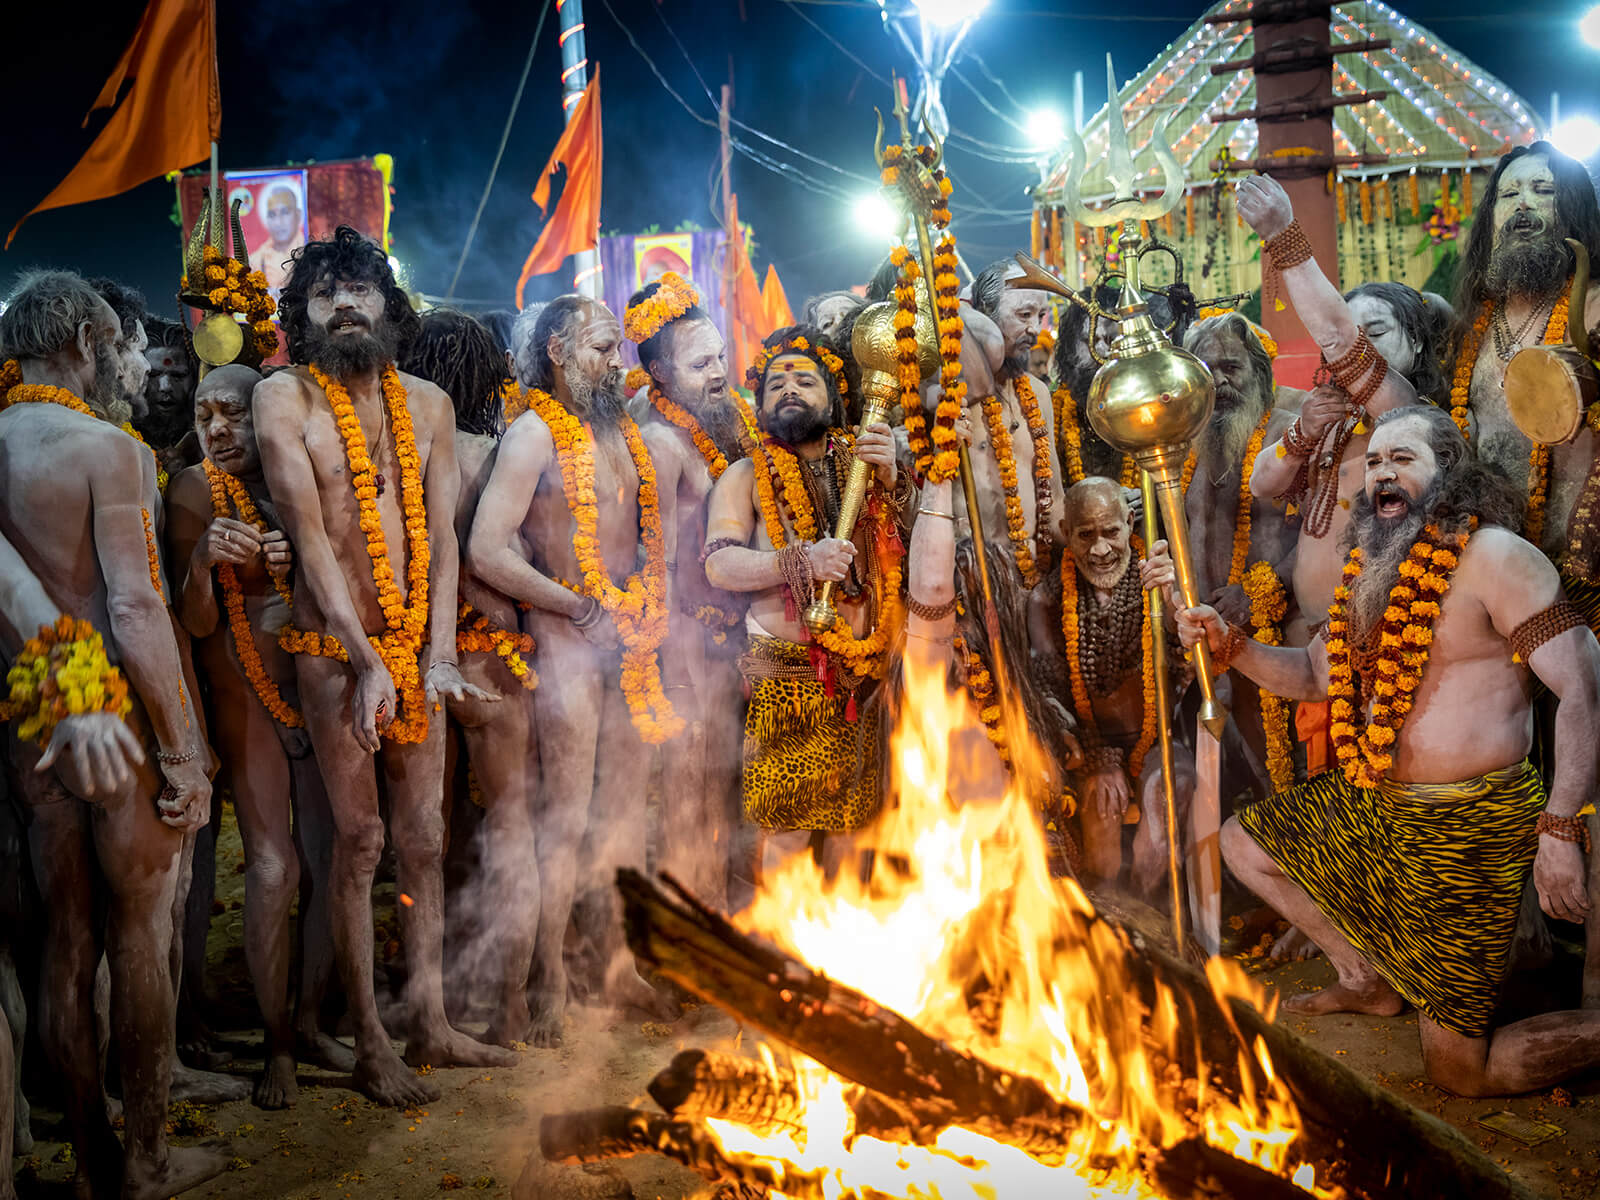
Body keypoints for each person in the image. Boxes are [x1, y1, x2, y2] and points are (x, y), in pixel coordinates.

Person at [1165, 405, 1600, 1097]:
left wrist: (1558, 827)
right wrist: (1232, 646)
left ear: (1450, 474)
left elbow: (1583, 687)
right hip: (1377, 803)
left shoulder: (1494, 558)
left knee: (1460, 1074)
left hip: (1469, 826)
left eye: (1402, 458)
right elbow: (1313, 676)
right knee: (1245, 843)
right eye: (1372, 462)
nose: (1381, 473)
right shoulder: (1371, 567)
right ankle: (1364, 979)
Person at [253, 227, 512, 1106]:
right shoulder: (284, 399)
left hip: (417, 649)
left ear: (389, 305)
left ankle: (431, 1021)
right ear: (306, 313)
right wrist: (367, 659)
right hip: (335, 655)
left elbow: (441, 542)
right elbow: (311, 539)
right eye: (328, 294)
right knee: (358, 845)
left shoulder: (430, 403)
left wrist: (436, 653)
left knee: (426, 841)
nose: (348, 304)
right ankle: (369, 1041)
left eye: (362, 288)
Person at [0, 270, 220, 1197]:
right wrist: (181, 748)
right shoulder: (108, 447)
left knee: (66, 937)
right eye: (111, 346)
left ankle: (88, 1158)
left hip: (32, 722)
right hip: (118, 720)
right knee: (139, 935)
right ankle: (145, 1160)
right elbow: (134, 609)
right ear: (86, 342)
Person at [467, 294, 681, 1045]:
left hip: (634, 642)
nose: (614, 363)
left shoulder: (627, 432)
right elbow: (486, 549)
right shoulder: (532, 435)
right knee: (561, 817)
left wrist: (651, 608)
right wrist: (575, 605)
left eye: (617, 348)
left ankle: (616, 967)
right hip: (566, 644)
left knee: (624, 813)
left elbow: (658, 535)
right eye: (598, 349)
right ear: (555, 352)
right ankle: (547, 980)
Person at [166, 364, 349, 1107]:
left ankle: (309, 1022)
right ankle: (275, 1043)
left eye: (233, 414)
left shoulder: (303, 479)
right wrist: (207, 561)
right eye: (205, 414)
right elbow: (196, 624)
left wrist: (296, 563)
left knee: (335, 860)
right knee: (274, 871)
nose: (217, 429)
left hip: (318, 693)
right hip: (247, 707)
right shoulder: (193, 491)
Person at [704, 326, 910, 873]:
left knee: (854, 825)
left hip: (864, 671)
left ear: (834, 394)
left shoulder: (865, 457)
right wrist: (798, 562)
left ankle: (842, 953)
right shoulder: (745, 475)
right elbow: (719, 563)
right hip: (788, 674)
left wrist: (893, 477)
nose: (788, 389)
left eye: (804, 379)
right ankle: (783, 954)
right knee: (789, 828)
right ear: (760, 403)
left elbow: (910, 543)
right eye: (775, 384)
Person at [400, 310, 541, 1048]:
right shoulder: (497, 451)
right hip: (489, 657)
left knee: (429, 835)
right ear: (491, 374)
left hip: (415, 655)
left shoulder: (399, 445)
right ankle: (510, 1003)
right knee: (510, 823)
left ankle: (431, 996)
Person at [626, 273, 746, 909]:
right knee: (688, 779)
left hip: (729, 632)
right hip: (686, 637)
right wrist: (673, 656)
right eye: (701, 364)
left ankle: (717, 905)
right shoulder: (660, 441)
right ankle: (689, 925)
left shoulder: (727, 421)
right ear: (661, 377)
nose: (719, 372)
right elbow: (659, 562)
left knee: (720, 776)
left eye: (721, 355)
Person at [1028, 478, 1192, 887]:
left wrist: (1172, 597)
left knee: (1168, 792)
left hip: (1161, 742)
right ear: (1067, 534)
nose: (1101, 550)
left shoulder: (1155, 581)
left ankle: (1148, 915)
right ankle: (1109, 918)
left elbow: (1188, 646)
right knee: (1100, 807)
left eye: (1111, 532)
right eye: (1086, 535)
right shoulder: (1045, 600)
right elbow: (1048, 690)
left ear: (1131, 522)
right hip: (1088, 747)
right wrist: (1099, 759)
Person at [1444, 143, 1600, 571]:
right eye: (1508, 195)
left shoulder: (1595, 308)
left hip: (1583, 568)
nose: (1524, 205)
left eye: (1543, 190)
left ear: (1574, 208)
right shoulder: (1467, 329)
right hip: (1489, 570)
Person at [965, 260, 1067, 586]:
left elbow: (1055, 497)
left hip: (1034, 579)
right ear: (984, 313)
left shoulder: (1038, 393)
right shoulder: (952, 394)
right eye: (1023, 316)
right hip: (973, 583)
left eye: (1041, 316)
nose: (1036, 329)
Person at [1051, 282, 1198, 486]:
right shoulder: (1051, 412)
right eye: (1090, 341)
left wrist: (1149, 498)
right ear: (1069, 348)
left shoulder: (1154, 406)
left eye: (1111, 339)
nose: (1102, 352)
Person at [249, 183, 308, 294]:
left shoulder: (309, 255)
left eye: (285, 212)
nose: (278, 222)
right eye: (272, 215)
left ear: (298, 215)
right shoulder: (255, 261)